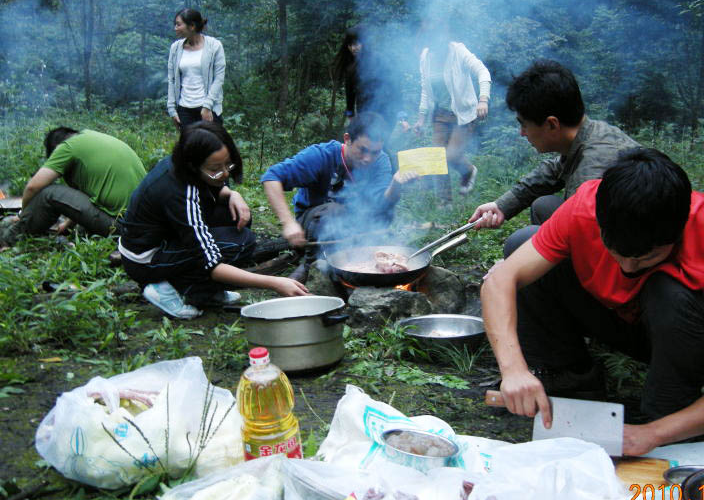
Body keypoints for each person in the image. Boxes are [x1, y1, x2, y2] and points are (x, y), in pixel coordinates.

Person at [481, 148, 704, 456]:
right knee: (521, 243)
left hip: (690, 338)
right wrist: (513, 369)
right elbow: (499, 281)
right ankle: (570, 379)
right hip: (622, 319)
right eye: (615, 252)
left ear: (679, 230)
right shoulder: (585, 208)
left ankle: (668, 411)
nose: (629, 268)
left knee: (669, 292)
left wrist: (653, 433)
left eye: (647, 257)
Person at [118, 122, 307, 320]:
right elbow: (212, 265)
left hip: (166, 237)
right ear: (193, 166)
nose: (225, 174)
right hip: (146, 259)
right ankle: (170, 288)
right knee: (238, 244)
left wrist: (232, 194)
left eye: (229, 164)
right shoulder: (180, 192)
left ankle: (204, 290)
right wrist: (276, 283)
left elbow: (211, 187)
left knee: (238, 221)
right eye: (216, 169)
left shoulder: (184, 164)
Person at [468, 60, 638, 256]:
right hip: (607, 235)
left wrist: (514, 269)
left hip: (622, 256)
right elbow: (552, 171)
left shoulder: (593, 170)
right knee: (544, 205)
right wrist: (501, 206)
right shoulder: (588, 134)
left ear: (552, 124)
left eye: (524, 124)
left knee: (519, 243)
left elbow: (586, 239)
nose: (522, 133)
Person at [262, 112, 418, 282]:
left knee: (384, 215)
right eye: (362, 150)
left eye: (375, 152)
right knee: (334, 212)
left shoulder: (381, 161)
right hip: (315, 224)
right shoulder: (321, 155)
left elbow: (382, 205)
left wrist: (396, 184)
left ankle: (361, 261)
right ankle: (311, 266)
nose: (368, 159)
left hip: (354, 227)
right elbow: (272, 177)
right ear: (347, 139)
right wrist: (288, 223)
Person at [0, 127, 146, 247]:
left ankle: (12, 239)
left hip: (122, 228)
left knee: (49, 193)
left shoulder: (67, 146)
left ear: (55, 149)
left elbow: (33, 187)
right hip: (143, 226)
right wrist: (68, 224)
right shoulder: (93, 138)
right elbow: (87, 194)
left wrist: (21, 215)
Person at [413, 18, 491, 199]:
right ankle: (444, 204)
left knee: (450, 157)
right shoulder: (425, 56)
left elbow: (482, 71)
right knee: (437, 159)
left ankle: (469, 171)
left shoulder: (458, 51)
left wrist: (483, 100)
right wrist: (421, 118)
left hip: (462, 114)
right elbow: (425, 88)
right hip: (440, 115)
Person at [167, 8, 225, 130]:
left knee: (212, 147)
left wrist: (207, 106)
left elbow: (219, 78)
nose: (175, 28)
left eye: (178, 24)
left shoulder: (214, 46)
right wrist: (172, 109)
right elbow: (171, 79)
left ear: (192, 26)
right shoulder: (175, 48)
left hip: (208, 108)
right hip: (184, 110)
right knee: (189, 148)